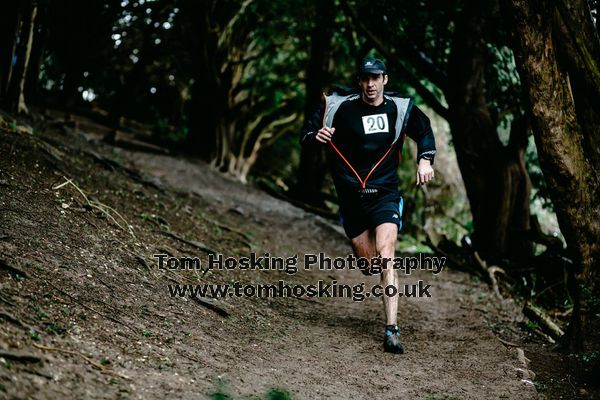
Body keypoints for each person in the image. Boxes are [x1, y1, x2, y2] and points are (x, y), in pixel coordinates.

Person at [300, 57, 436, 354]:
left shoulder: (399, 108)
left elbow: (424, 131)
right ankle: (371, 265)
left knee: (387, 255)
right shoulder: (337, 107)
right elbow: (307, 135)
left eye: (376, 78)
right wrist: (317, 136)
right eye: (365, 78)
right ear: (358, 81)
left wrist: (425, 159)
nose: (370, 84)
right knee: (368, 265)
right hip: (352, 198)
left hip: (385, 194)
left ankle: (392, 329)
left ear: (385, 79)